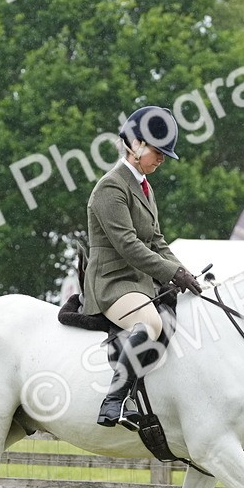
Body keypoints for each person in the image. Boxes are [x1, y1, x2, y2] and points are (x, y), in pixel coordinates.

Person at [84, 105, 202, 428]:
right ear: (135, 144)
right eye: (157, 151)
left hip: (138, 282)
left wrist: (186, 273)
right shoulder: (111, 187)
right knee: (150, 321)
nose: (161, 159)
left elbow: (157, 241)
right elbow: (129, 245)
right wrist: (170, 273)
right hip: (111, 283)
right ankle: (114, 401)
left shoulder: (145, 188)